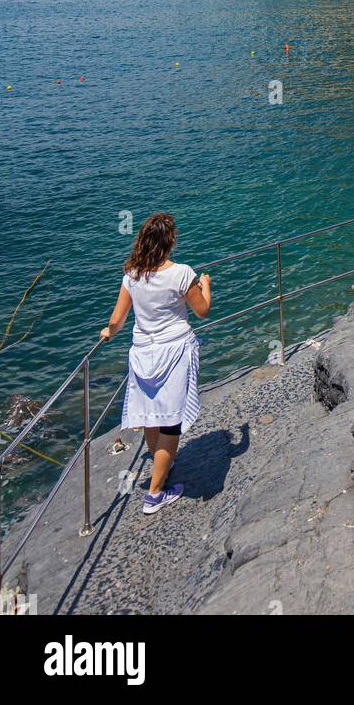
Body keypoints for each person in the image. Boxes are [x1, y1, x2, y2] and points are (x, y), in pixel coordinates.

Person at [100, 213, 211, 515]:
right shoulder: (182, 273)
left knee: (152, 415)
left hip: (142, 354)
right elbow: (202, 311)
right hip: (174, 352)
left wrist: (108, 331)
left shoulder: (132, 275)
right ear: (169, 241)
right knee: (172, 421)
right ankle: (155, 493)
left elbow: (118, 319)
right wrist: (205, 285)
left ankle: (163, 464)